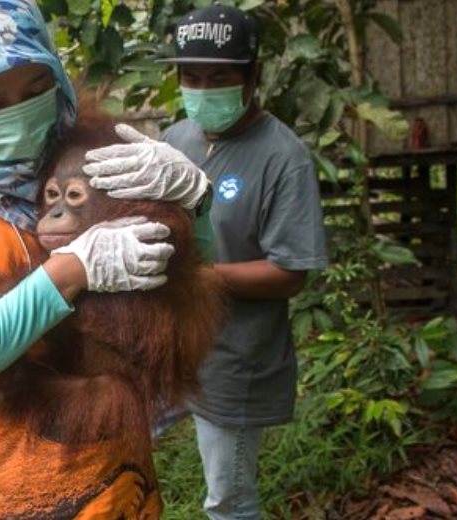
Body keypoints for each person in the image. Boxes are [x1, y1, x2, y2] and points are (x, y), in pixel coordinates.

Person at [0, 1, 210, 518]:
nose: (19, 112)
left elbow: (186, 277)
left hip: (118, 490)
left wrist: (193, 202)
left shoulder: (91, 153)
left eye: (36, 90)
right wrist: (72, 270)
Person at [156, 4, 329, 519]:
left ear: (252, 77)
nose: (203, 89)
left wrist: (198, 280)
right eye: (191, 76)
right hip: (169, 344)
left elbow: (289, 272)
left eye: (219, 77)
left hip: (235, 356)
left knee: (227, 498)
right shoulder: (175, 139)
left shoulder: (282, 156)